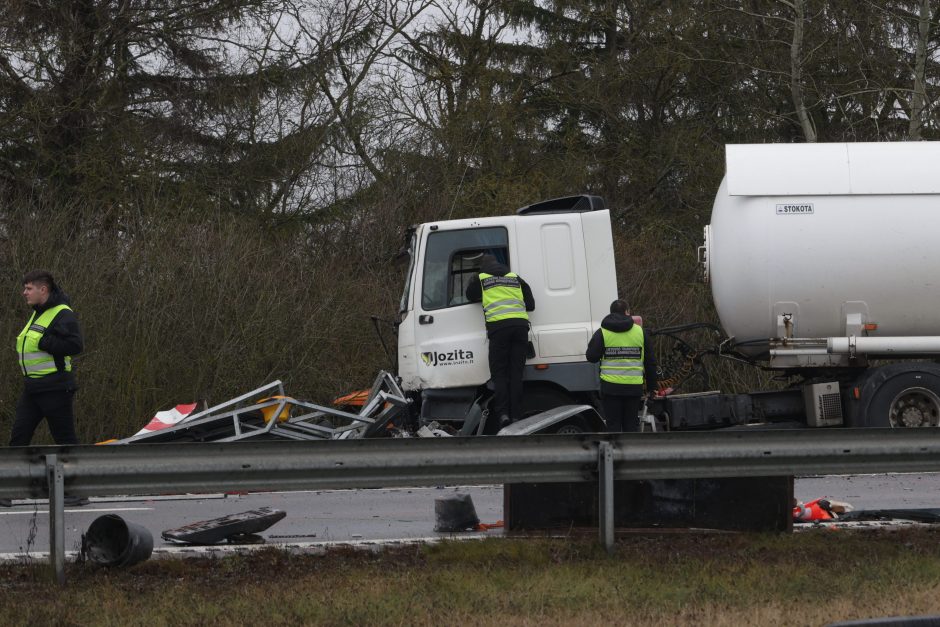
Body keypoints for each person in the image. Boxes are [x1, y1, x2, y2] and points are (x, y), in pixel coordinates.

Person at [2, 270, 85, 507]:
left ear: (43, 290)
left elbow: (75, 344)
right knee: (18, 438)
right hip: (33, 389)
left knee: (65, 440)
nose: (24, 293)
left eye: (28, 288)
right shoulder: (38, 314)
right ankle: (6, 489)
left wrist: (47, 343)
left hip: (55, 388)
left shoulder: (62, 313)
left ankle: (77, 491)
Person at [466, 254, 535, 428]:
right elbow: (531, 304)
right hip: (520, 328)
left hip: (499, 329)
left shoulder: (481, 278)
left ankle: (503, 414)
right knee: (516, 375)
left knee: (500, 375)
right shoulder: (514, 277)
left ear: (483, 267)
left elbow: (469, 295)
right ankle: (517, 416)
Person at [586, 299, 657, 432]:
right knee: (630, 426)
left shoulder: (602, 332)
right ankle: (629, 452)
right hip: (633, 389)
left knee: (613, 427)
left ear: (611, 313)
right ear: (627, 312)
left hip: (610, 388)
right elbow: (650, 362)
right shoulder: (640, 332)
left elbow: (591, 357)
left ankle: (613, 452)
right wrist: (652, 388)